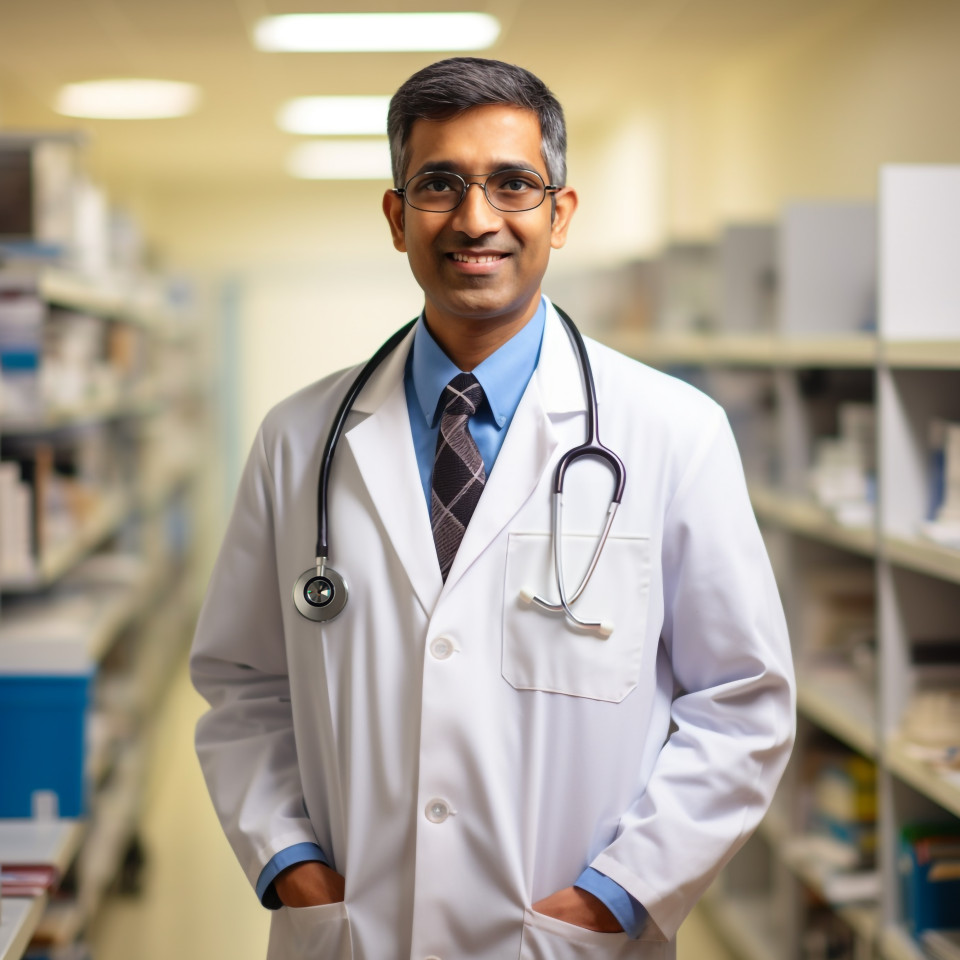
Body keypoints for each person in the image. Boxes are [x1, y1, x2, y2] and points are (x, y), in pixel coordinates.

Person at [191, 57, 795, 960]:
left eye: (513, 183)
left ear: (561, 213)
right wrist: (290, 863)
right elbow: (243, 684)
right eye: (439, 184)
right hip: (357, 932)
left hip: (567, 937)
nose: (476, 219)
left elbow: (740, 703)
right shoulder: (298, 438)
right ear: (397, 217)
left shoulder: (675, 432)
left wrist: (615, 896)